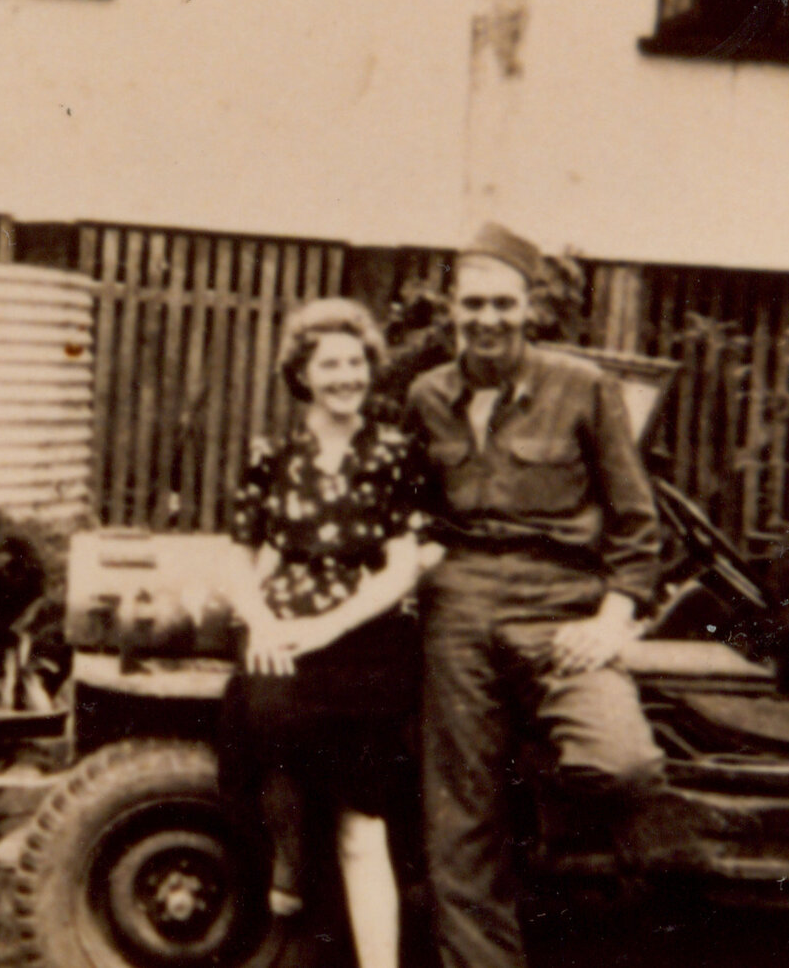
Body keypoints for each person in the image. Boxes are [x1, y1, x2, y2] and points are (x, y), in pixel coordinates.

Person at [403, 225, 665, 968]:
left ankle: (547, 836)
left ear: (530, 308)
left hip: (560, 608)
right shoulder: (426, 396)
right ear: (452, 310)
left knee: (621, 762)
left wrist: (612, 619)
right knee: (459, 818)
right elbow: (408, 507)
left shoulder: (583, 388)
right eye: (472, 304)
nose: (486, 319)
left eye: (502, 303)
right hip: (458, 607)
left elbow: (636, 522)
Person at [218, 298, 436, 968]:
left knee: (360, 821)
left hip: (364, 635)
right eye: (330, 365)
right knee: (264, 717)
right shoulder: (271, 455)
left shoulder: (395, 452)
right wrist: (260, 621)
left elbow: (402, 566)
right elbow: (237, 553)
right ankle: (288, 854)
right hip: (281, 626)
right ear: (302, 375)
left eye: (356, 363)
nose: (346, 377)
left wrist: (325, 629)